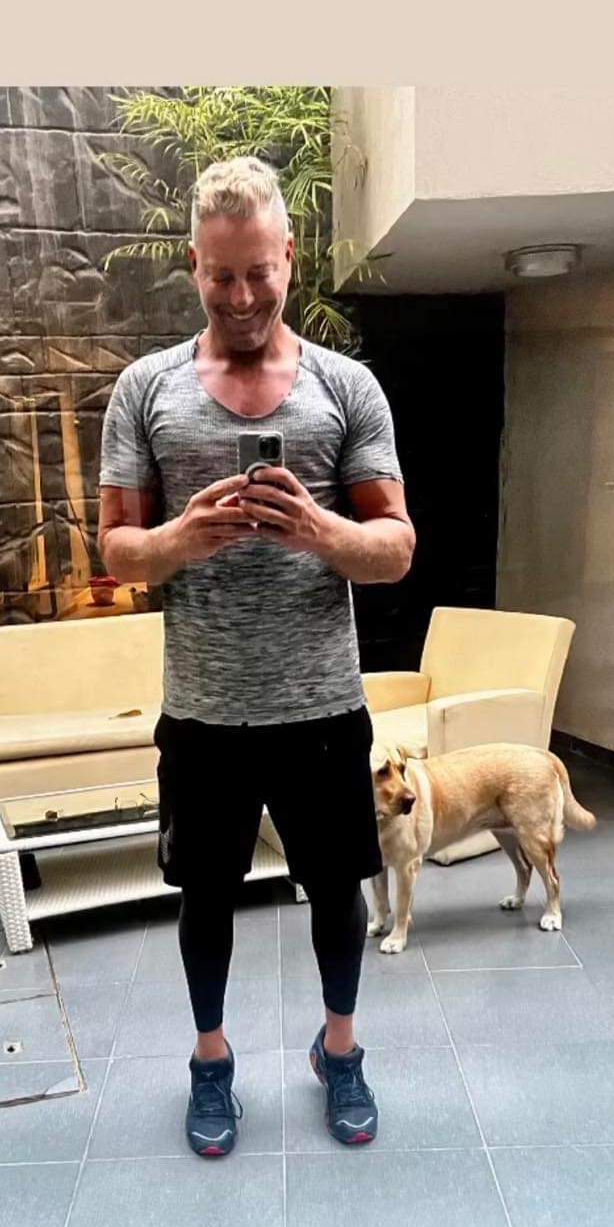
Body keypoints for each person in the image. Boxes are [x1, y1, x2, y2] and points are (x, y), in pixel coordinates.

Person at [98, 154, 415, 1158]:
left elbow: (396, 548)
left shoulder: (345, 388)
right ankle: (211, 1062)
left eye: (258, 274)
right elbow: (116, 551)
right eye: (221, 276)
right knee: (206, 897)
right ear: (195, 264)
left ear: (290, 259)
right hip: (204, 712)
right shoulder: (145, 390)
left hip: (322, 708)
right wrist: (178, 541)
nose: (240, 298)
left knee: (338, 890)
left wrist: (318, 530)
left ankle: (340, 1050)